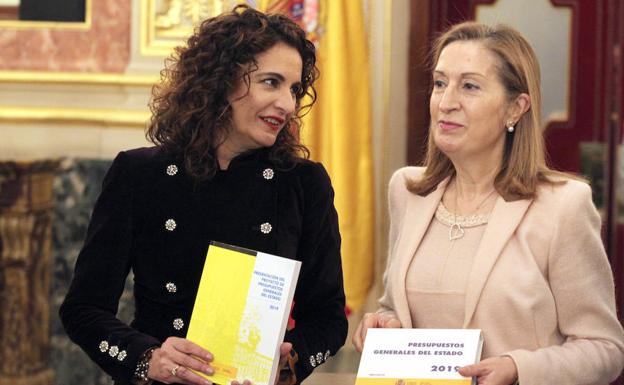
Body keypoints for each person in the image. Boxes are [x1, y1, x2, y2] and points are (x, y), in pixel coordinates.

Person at [60, 5, 347, 385]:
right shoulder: (139, 174)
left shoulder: (305, 184)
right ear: (221, 80)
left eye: (294, 89)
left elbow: (328, 318)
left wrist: (288, 362)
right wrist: (148, 358)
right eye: (271, 82)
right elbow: (83, 309)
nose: (288, 104)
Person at [353, 21, 624, 385]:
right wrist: (384, 323)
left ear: (516, 108)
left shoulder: (563, 206)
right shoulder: (407, 191)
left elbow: (605, 348)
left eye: (469, 86)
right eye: (439, 83)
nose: (446, 103)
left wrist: (519, 368)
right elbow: (396, 307)